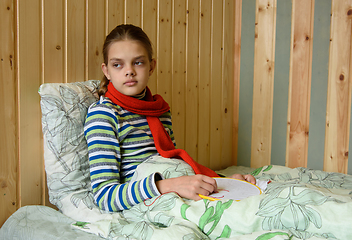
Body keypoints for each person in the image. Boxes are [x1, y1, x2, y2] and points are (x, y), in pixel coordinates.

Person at [84, 24, 255, 212]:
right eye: (117, 65)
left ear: (151, 66)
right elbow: (104, 197)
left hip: (174, 191)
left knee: (248, 206)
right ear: (106, 71)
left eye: (138, 62)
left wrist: (224, 183)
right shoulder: (104, 115)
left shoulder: (160, 111)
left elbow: (171, 165)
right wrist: (168, 186)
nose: (129, 71)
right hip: (147, 201)